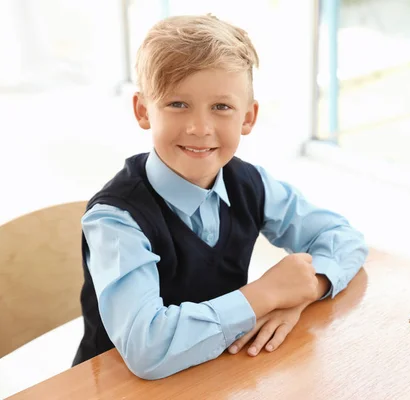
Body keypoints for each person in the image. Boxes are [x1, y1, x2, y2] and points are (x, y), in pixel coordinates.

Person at [72, 14, 368, 380]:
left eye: (221, 107)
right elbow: (147, 348)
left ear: (248, 117)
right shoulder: (116, 219)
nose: (199, 127)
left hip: (216, 376)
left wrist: (308, 290)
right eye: (178, 104)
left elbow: (343, 238)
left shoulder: (249, 183)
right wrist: (265, 295)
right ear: (143, 110)